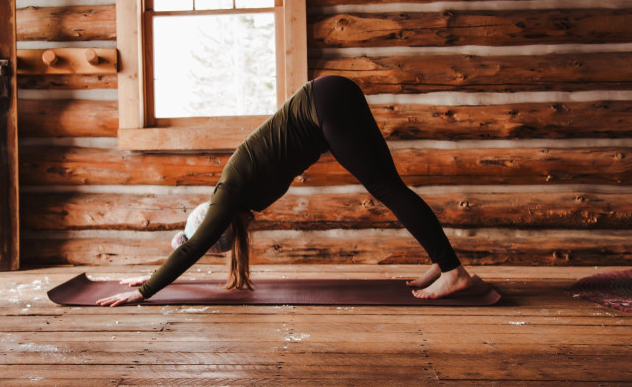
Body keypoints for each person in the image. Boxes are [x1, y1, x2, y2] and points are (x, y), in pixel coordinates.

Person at [97, 75, 475, 307]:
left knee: (385, 188)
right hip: (329, 97)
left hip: (326, 102)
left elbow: (195, 246)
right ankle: (442, 262)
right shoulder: (243, 200)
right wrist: (151, 275)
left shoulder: (230, 190)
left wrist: (146, 289)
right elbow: (196, 242)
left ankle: (453, 271)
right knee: (390, 187)